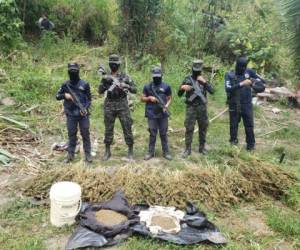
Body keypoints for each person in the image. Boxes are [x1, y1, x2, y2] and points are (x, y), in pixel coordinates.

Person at [98, 54, 136, 161]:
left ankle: (130, 150)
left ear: (118, 64)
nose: (113, 65)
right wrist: (105, 83)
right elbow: (100, 91)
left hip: (122, 104)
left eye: (115, 63)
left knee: (127, 126)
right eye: (111, 63)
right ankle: (107, 150)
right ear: (110, 64)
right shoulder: (106, 77)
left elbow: (135, 89)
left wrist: (126, 85)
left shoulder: (125, 77)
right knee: (108, 128)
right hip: (109, 104)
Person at [225, 57, 265, 151]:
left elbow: (262, 84)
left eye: (244, 67)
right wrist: (242, 84)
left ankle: (251, 145)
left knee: (249, 125)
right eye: (240, 66)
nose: (242, 69)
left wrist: (253, 83)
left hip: (247, 103)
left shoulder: (249, 72)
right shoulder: (230, 75)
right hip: (234, 104)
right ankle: (233, 143)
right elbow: (228, 89)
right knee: (234, 125)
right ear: (236, 65)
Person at [56, 63, 92, 163]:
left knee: (85, 133)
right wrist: (65, 95)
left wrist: (84, 108)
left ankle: (88, 154)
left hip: (82, 114)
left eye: (74, 71)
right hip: (71, 114)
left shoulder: (84, 84)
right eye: (71, 71)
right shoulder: (65, 84)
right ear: (68, 71)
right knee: (72, 134)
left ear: (78, 71)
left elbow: (89, 99)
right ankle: (70, 155)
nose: (73, 73)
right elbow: (57, 96)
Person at [178, 60, 214, 158]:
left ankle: (202, 148)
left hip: (202, 107)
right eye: (195, 70)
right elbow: (179, 94)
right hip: (191, 107)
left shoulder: (204, 79)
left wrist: (205, 82)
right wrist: (182, 88)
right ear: (192, 69)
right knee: (189, 128)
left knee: (203, 127)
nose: (197, 72)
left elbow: (212, 91)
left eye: (198, 70)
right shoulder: (187, 79)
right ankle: (187, 149)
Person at [141, 66, 172, 161]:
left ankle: (166, 152)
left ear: (161, 75)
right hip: (151, 113)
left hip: (163, 113)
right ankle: (150, 152)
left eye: (158, 76)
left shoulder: (166, 86)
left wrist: (166, 105)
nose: (157, 77)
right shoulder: (147, 86)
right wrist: (149, 98)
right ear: (152, 76)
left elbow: (170, 98)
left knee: (163, 133)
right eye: (155, 76)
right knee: (152, 133)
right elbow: (142, 98)